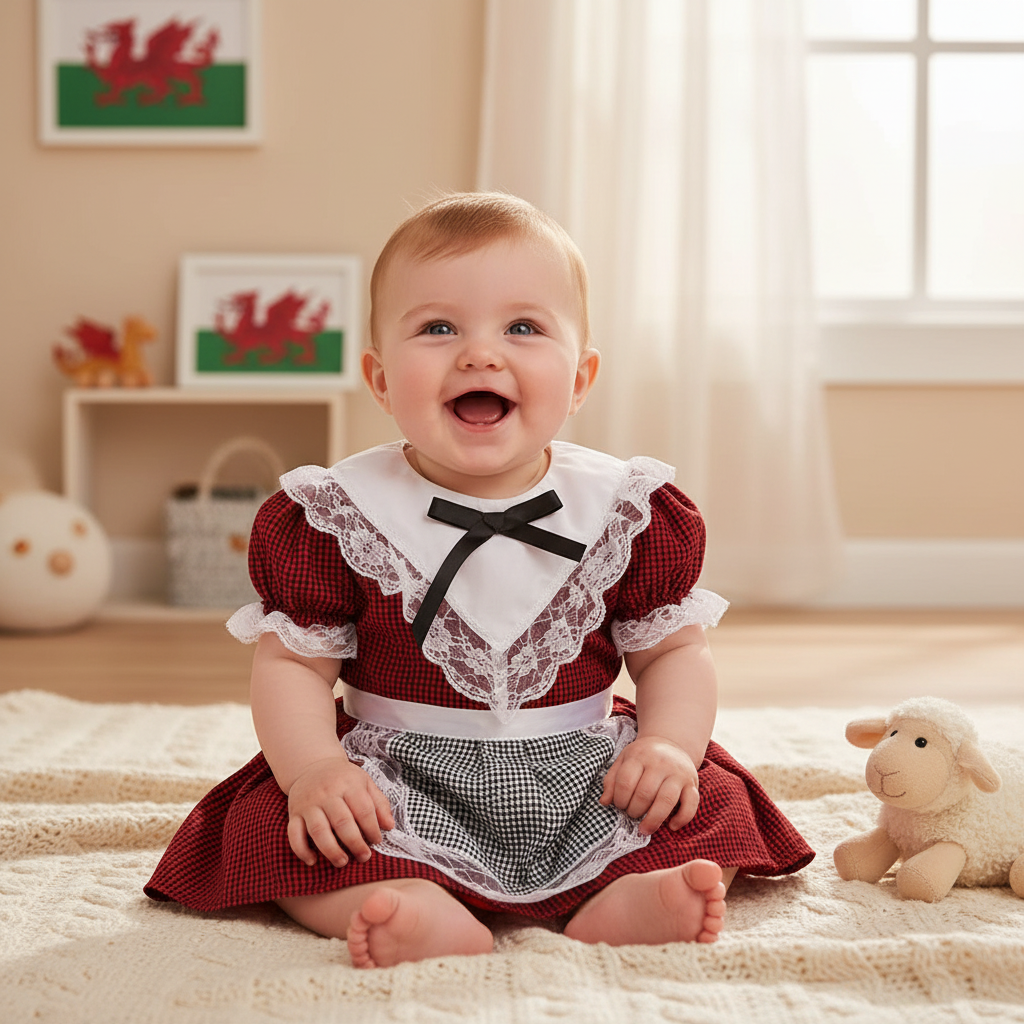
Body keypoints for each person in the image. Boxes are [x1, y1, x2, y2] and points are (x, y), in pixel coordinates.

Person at [145, 192, 814, 968]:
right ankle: (408, 906)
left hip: (586, 772)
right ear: (381, 378)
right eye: (438, 329)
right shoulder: (337, 516)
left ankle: (630, 898)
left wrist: (667, 744)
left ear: (581, 377)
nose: (480, 354)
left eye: (523, 328)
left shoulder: (626, 510)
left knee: (707, 800)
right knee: (292, 831)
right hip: (397, 775)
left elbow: (672, 653)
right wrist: (317, 771)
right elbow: (293, 663)